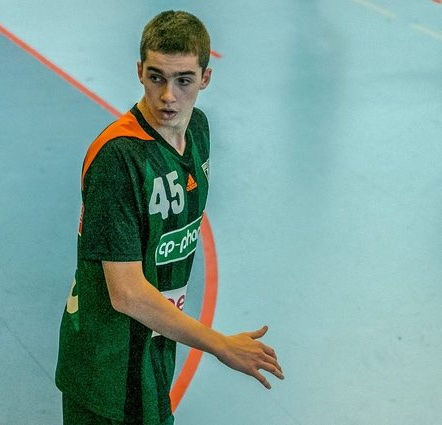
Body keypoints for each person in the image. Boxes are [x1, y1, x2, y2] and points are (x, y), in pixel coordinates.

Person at [55, 10, 284, 425]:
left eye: (184, 81)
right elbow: (125, 293)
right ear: (139, 72)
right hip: (107, 365)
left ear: (205, 79)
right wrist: (219, 344)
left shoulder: (198, 130)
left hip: (154, 348)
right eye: (156, 77)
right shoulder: (118, 158)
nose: (168, 97)